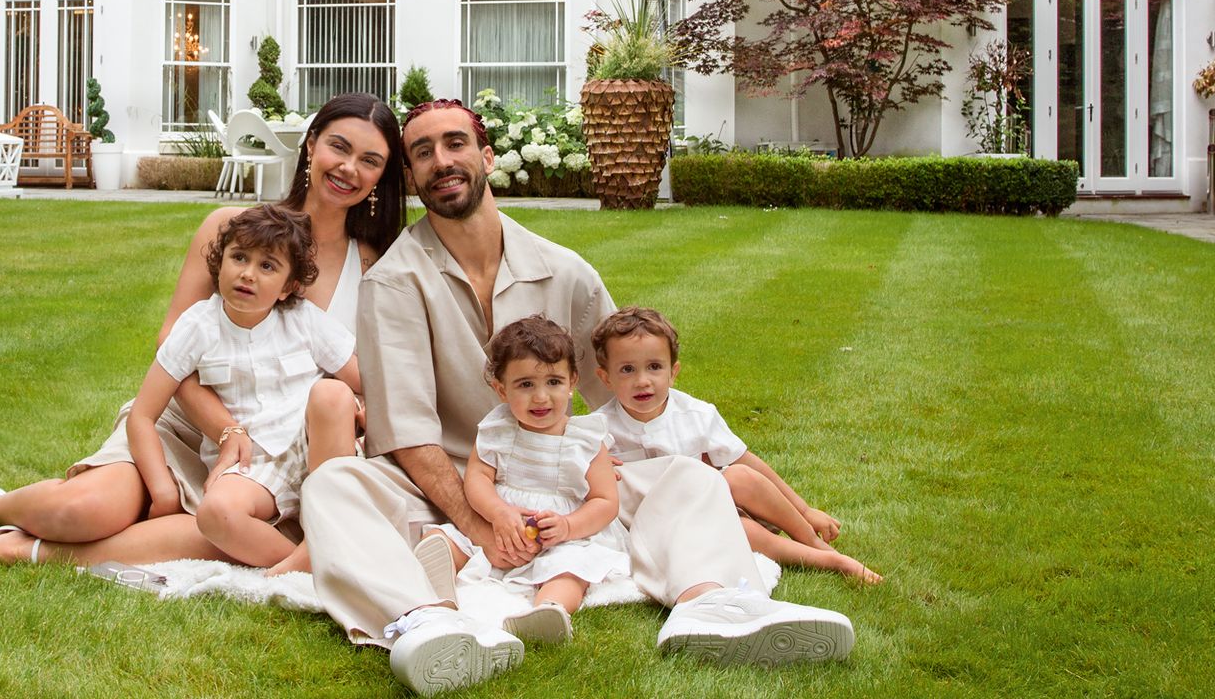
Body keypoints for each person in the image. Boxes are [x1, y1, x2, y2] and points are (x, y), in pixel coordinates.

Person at [299, 98, 854, 696]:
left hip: (560, 484)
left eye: (455, 143)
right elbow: (408, 434)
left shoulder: (566, 272)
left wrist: (685, 480)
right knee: (332, 485)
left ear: (486, 156)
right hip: (454, 484)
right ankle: (425, 622)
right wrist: (483, 524)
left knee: (690, 480)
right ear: (411, 175)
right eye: (423, 152)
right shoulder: (393, 281)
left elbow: (630, 392)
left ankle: (714, 604)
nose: (442, 161)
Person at [0, 93, 405, 570]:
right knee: (80, 510)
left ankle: (21, 551)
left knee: (215, 530)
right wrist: (225, 431)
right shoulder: (232, 228)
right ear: (311, 145)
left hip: (277, 460)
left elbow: (361, 377)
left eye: (371, 160)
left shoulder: (375, 264)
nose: (349, 168)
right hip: (189, 425)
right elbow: (172, 342)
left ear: (382, 177)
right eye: (339, 146)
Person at [124, 205, 363, 568]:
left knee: (332, 394)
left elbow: (362, 378)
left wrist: (367, 408)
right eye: (239, 257)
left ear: (289, 288)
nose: (248, 274)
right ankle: (306, 564)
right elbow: (142, 415)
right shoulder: (197, 327)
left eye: (267, 266)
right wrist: (162, 492)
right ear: (220, 263)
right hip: (252, 463)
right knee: (215, 513)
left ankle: (320, 545)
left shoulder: (303, 321)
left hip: (315, 447)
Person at [590, 307, 882, 583]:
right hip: (665, 525)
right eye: (627, 369)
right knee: (736, 529)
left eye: (654, 367)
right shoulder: (598, 430)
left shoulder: (696, 415)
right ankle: (827, 561)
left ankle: (812, 541)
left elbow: (745, 460)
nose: (643, 381)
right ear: (606, 378)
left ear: (673, 372)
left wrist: (804, 510)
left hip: (708, 502)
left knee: (737, 475)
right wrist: (598, 469)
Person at [422, 315, 628, 646]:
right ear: (501, 389)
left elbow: (606, 501)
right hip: (501, 523)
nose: (541, 398)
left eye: (554, 382)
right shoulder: (496, 430)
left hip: (563, 533)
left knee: (571, 567)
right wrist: (497, 513)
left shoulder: (585, 439)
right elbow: (477, 479)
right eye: (526, 385)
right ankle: (437, 593)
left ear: (573, 381)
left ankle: (549, 609)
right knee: (446, 538)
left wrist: (568, 526)